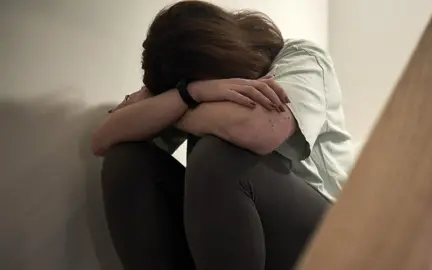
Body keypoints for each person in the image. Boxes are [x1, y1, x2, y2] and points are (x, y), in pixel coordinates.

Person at [91, 1, 353, 270]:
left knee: (219, 156)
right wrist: (190, 94)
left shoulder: (301, 56)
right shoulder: (192, 88)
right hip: (239, 242)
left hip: (332, 235)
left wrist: (182, 105)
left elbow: (261, 130)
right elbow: (102, 140)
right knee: (128, 161)